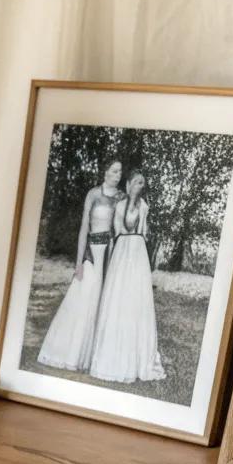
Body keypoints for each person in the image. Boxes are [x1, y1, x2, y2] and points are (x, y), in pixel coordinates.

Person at [36, 159, 122, 371]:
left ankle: (96, 356)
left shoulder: (122, 197)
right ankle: (71, 353)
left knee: (104, 301)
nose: (117, 175)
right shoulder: (93, 194)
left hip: (110, 253)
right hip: (91, 252)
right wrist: (78, 263)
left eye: (120, 171)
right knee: (85, 298)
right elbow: (84, 228)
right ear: (105, 171)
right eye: (114, 170)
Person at [89, 172, 165, 384]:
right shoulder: (120, 205)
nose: (139, 186)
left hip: (137, 251)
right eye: (137, 182)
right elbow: (118, 230)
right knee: (118, 298)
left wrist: (138, 237)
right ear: (129, 183)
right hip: (122, 250)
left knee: (135, 298)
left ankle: (136, 355)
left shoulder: (144, 207)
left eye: (142, 183)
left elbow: (142, 233)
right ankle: (112, 355)